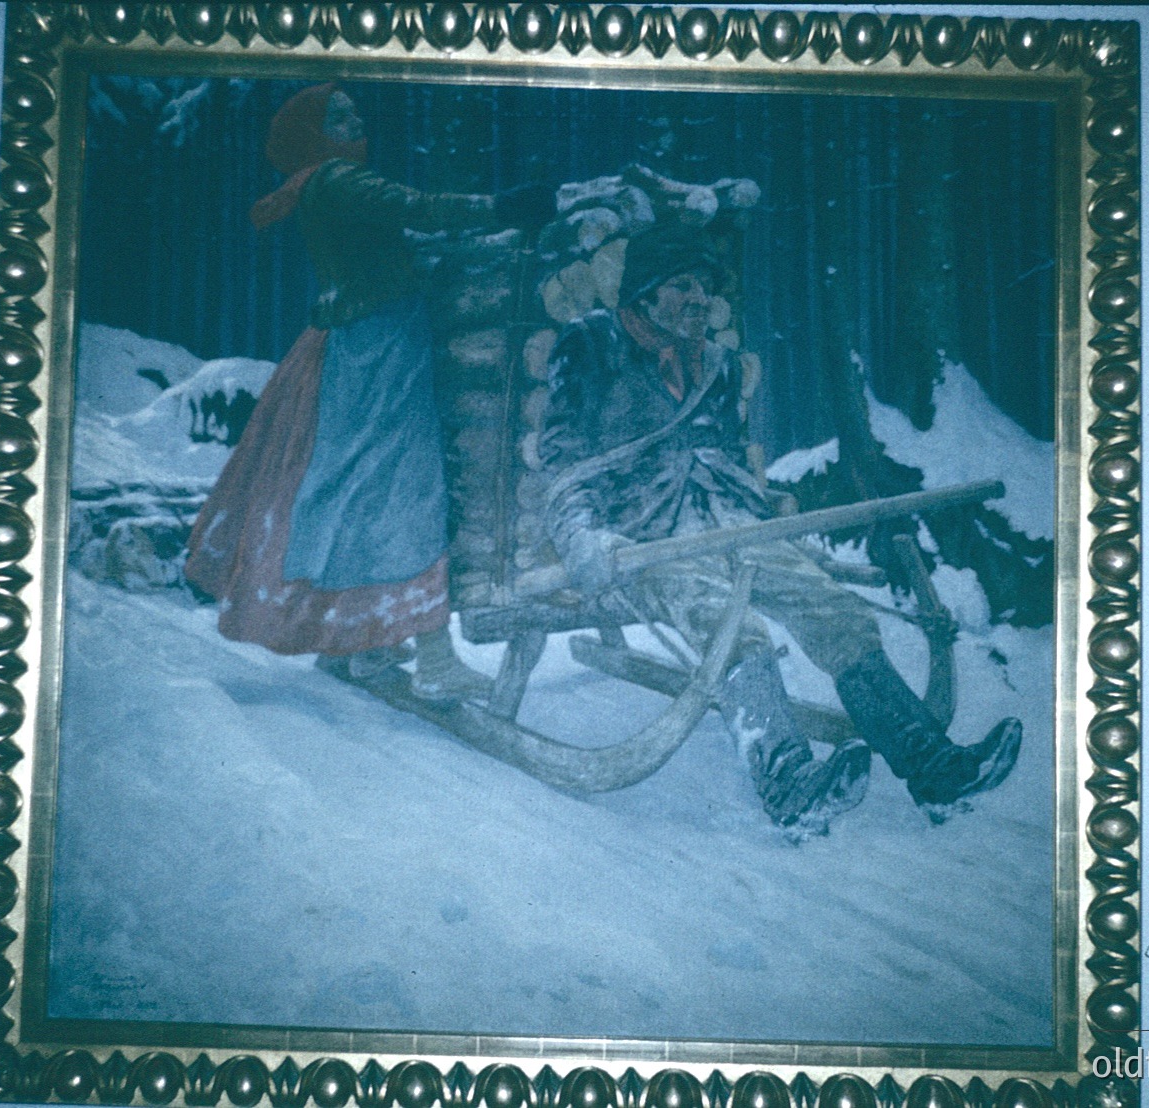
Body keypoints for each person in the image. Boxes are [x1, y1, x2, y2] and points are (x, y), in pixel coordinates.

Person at [539, 226, 1021, 832]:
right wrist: (589, 544)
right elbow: (562, 466)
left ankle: (934, 769)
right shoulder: (590, 343)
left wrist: (761, 508)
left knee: (839, 615)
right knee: (735, 632)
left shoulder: (714, 362)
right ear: (643, 291)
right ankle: (788, 783)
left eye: (705, 289)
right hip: (645, 538)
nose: (699, 300)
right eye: (682, 285)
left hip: (734, 525)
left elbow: (727, 454)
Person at [185, 83, 551, 700]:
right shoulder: (337, 180)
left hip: (353, 345)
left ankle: (365, 648)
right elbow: (417, 205)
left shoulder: (315, 187)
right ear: (314, 134)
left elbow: (390, 229)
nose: (356, 122)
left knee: (366, 490)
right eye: (338, 116)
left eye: (355, 112)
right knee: (407, 486)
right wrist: (502, 206)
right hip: (380, 348)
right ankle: (434, 658)